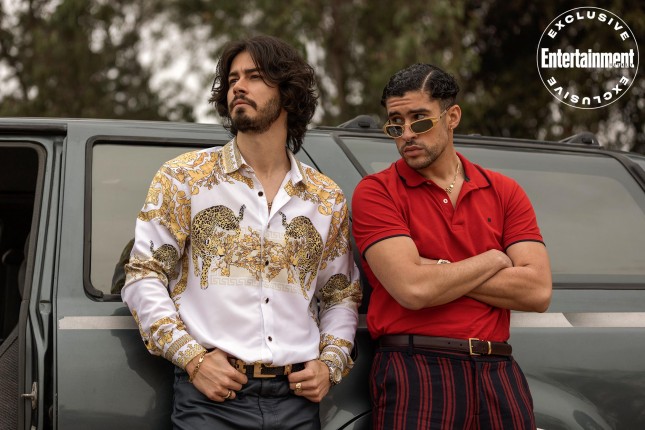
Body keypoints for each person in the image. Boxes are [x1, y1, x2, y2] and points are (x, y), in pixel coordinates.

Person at [122, 35, 361, 430]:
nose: (238, 86)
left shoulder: (325, 198)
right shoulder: (184, 178)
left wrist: (330, 364)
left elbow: (340, 293)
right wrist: (192, 358)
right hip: (211, 399)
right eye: (233, 79)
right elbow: (143, 274)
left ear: (287, 93)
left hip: (296, 400)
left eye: (254, 77)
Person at [351, 63, 552, 430]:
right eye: (395, 124)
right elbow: (412, 289)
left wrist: (434, 268)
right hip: (416, 371)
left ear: (452, 116)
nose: (406, 134)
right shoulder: (377, 191)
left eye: (419, 120)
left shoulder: (505, 191)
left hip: (498, 371)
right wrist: (493, 259)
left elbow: (537, 291)